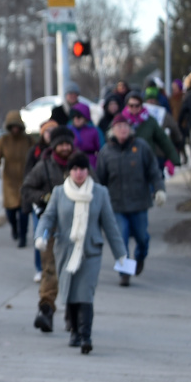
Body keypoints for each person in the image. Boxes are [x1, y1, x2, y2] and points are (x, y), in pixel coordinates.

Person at [35, 153, 128, 354]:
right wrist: (40, 236)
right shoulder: (60, 193)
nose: (79, 173)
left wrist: (121, 254)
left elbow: (110, 226)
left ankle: (86, 336)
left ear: (88, 171)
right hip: (65, 250)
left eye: (83, 169)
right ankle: (74, 332)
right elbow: (48, 218)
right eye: (75, 169)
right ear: (69, 171)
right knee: (70, 292)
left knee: (85, 292)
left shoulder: (100, 192)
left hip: (90, 251)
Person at [95, 113, 167, 287]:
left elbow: (153, 171)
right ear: (113, 130)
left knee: (143, 238)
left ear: (130, 129)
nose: (122, 130)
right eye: (119, 127)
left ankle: (140, 257)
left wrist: (159, 189)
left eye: (125, 126)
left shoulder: (141, 147)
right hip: (116, 206)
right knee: (121, 239)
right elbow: (99, 181)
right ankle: (125, 272)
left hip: (139, 203)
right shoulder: (106, 152)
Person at [21, 125, 75, 333]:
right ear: (53, 146)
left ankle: (74, 313)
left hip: (75, 228)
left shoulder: (79, 165)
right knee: (50, 269)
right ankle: (46, 311)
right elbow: (26, 188)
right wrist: (43, 198)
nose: (64, 148)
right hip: (51, 227)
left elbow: (96, 188)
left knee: (73, 271)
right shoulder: (43, 166)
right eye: (60, 144)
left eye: (67, 144)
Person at [0, 110, 35, 247]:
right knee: (10, 211)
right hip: (9, 180)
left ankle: (23, 236)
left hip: (25, 178)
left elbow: (36, 154)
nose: (15, 129)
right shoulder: (4, 141)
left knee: (23, 211)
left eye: (17, 126)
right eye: (13, 126)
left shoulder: (28, 140)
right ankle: (14, 228)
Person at [24, 120, 59, 283]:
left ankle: (56, 266)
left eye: (53, 130)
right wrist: (36, 198)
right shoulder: (35, 152)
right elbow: (27, 181)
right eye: (47, 131)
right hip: (40, 203)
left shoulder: (66, 152)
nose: (50, 134)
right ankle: (40, 268)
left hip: (60, 203)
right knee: (40, 236)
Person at [122, 91, 180, 178]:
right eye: (131, 105)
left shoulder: (149, 120)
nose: (134, 108)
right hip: (127, 161)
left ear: (141, 105)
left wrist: (174, 159)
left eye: (137, 105)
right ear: (127, 106)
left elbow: (163, 139)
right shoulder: (121, 121)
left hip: (147, 160)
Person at [144, 88, 185, 177]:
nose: (151, 102)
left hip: (159, 152)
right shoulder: (140, 114)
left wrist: (177, 141)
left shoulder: (162, 113)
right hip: (144, 152)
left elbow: (174, 127)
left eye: (152, 100)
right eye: (149, 100)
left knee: (157, 177)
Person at [67, 102, 104, 170]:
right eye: (73, 116)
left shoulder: (94, 131)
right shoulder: (68, 130)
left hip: (91, 164)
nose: (76, 119)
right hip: (72, 162)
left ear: (85, 117)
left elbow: (102, 149)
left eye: (79, 116)